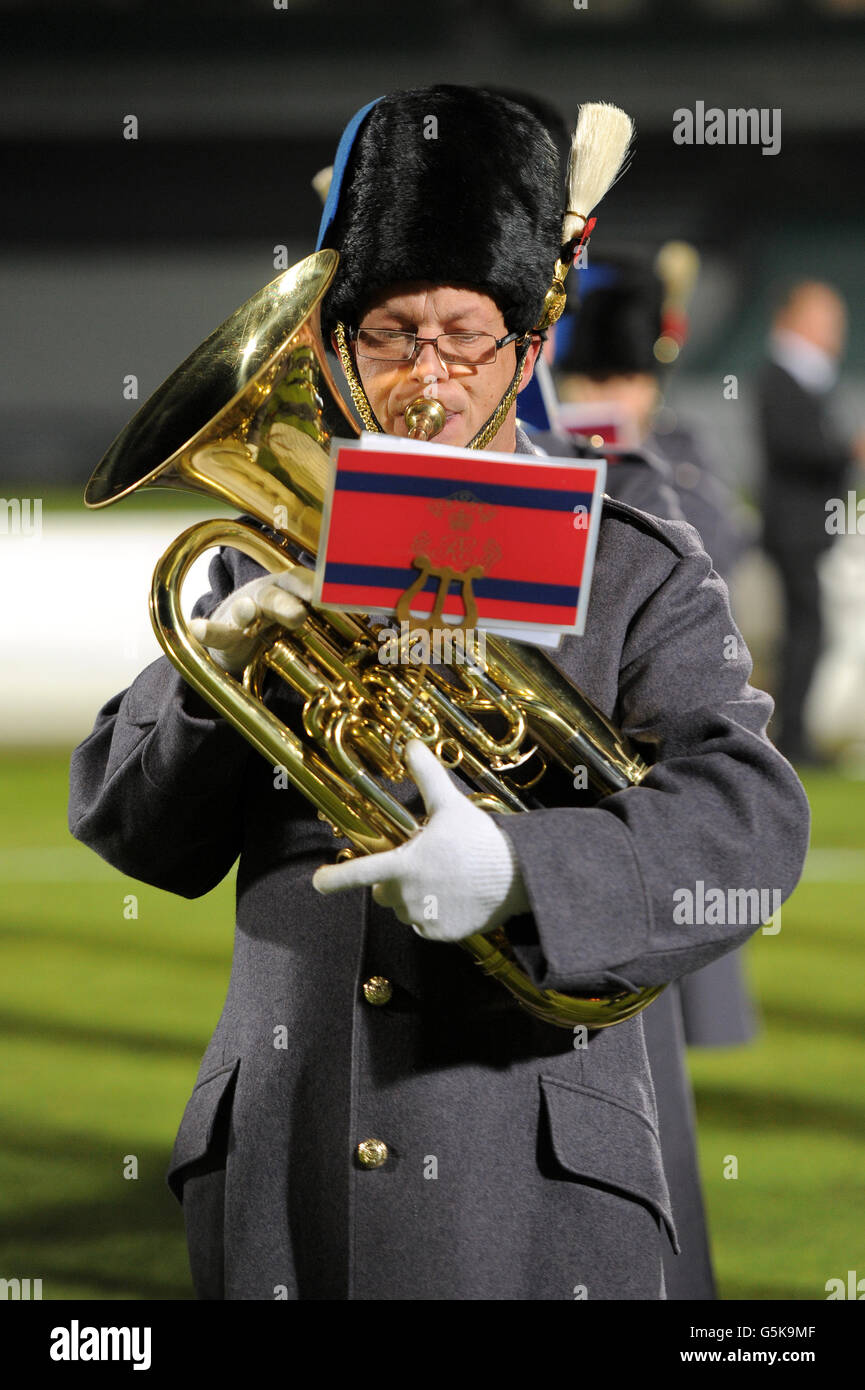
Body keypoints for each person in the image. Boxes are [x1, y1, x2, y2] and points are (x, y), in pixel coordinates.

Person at [68, 85, 809, 1301]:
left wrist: (522, 874)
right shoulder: (266, 556)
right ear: (330, 345)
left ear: (525, 351)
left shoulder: (632, 559)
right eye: (389, 334)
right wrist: (222, 677)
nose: (427, 378)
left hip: (531, 1192)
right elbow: (124, 821)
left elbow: (750, 818)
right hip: (285, 1173)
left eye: (464, 336)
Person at [756, 280, 865, 765]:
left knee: (809, 630)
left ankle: (795, 732)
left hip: (807, 525)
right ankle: (791, 736)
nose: (836, 331)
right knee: (805, 631)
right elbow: (792, 444)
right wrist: (847, 450)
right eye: (825, 318)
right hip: (794, 526)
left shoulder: (806, 376)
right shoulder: (779, 374)